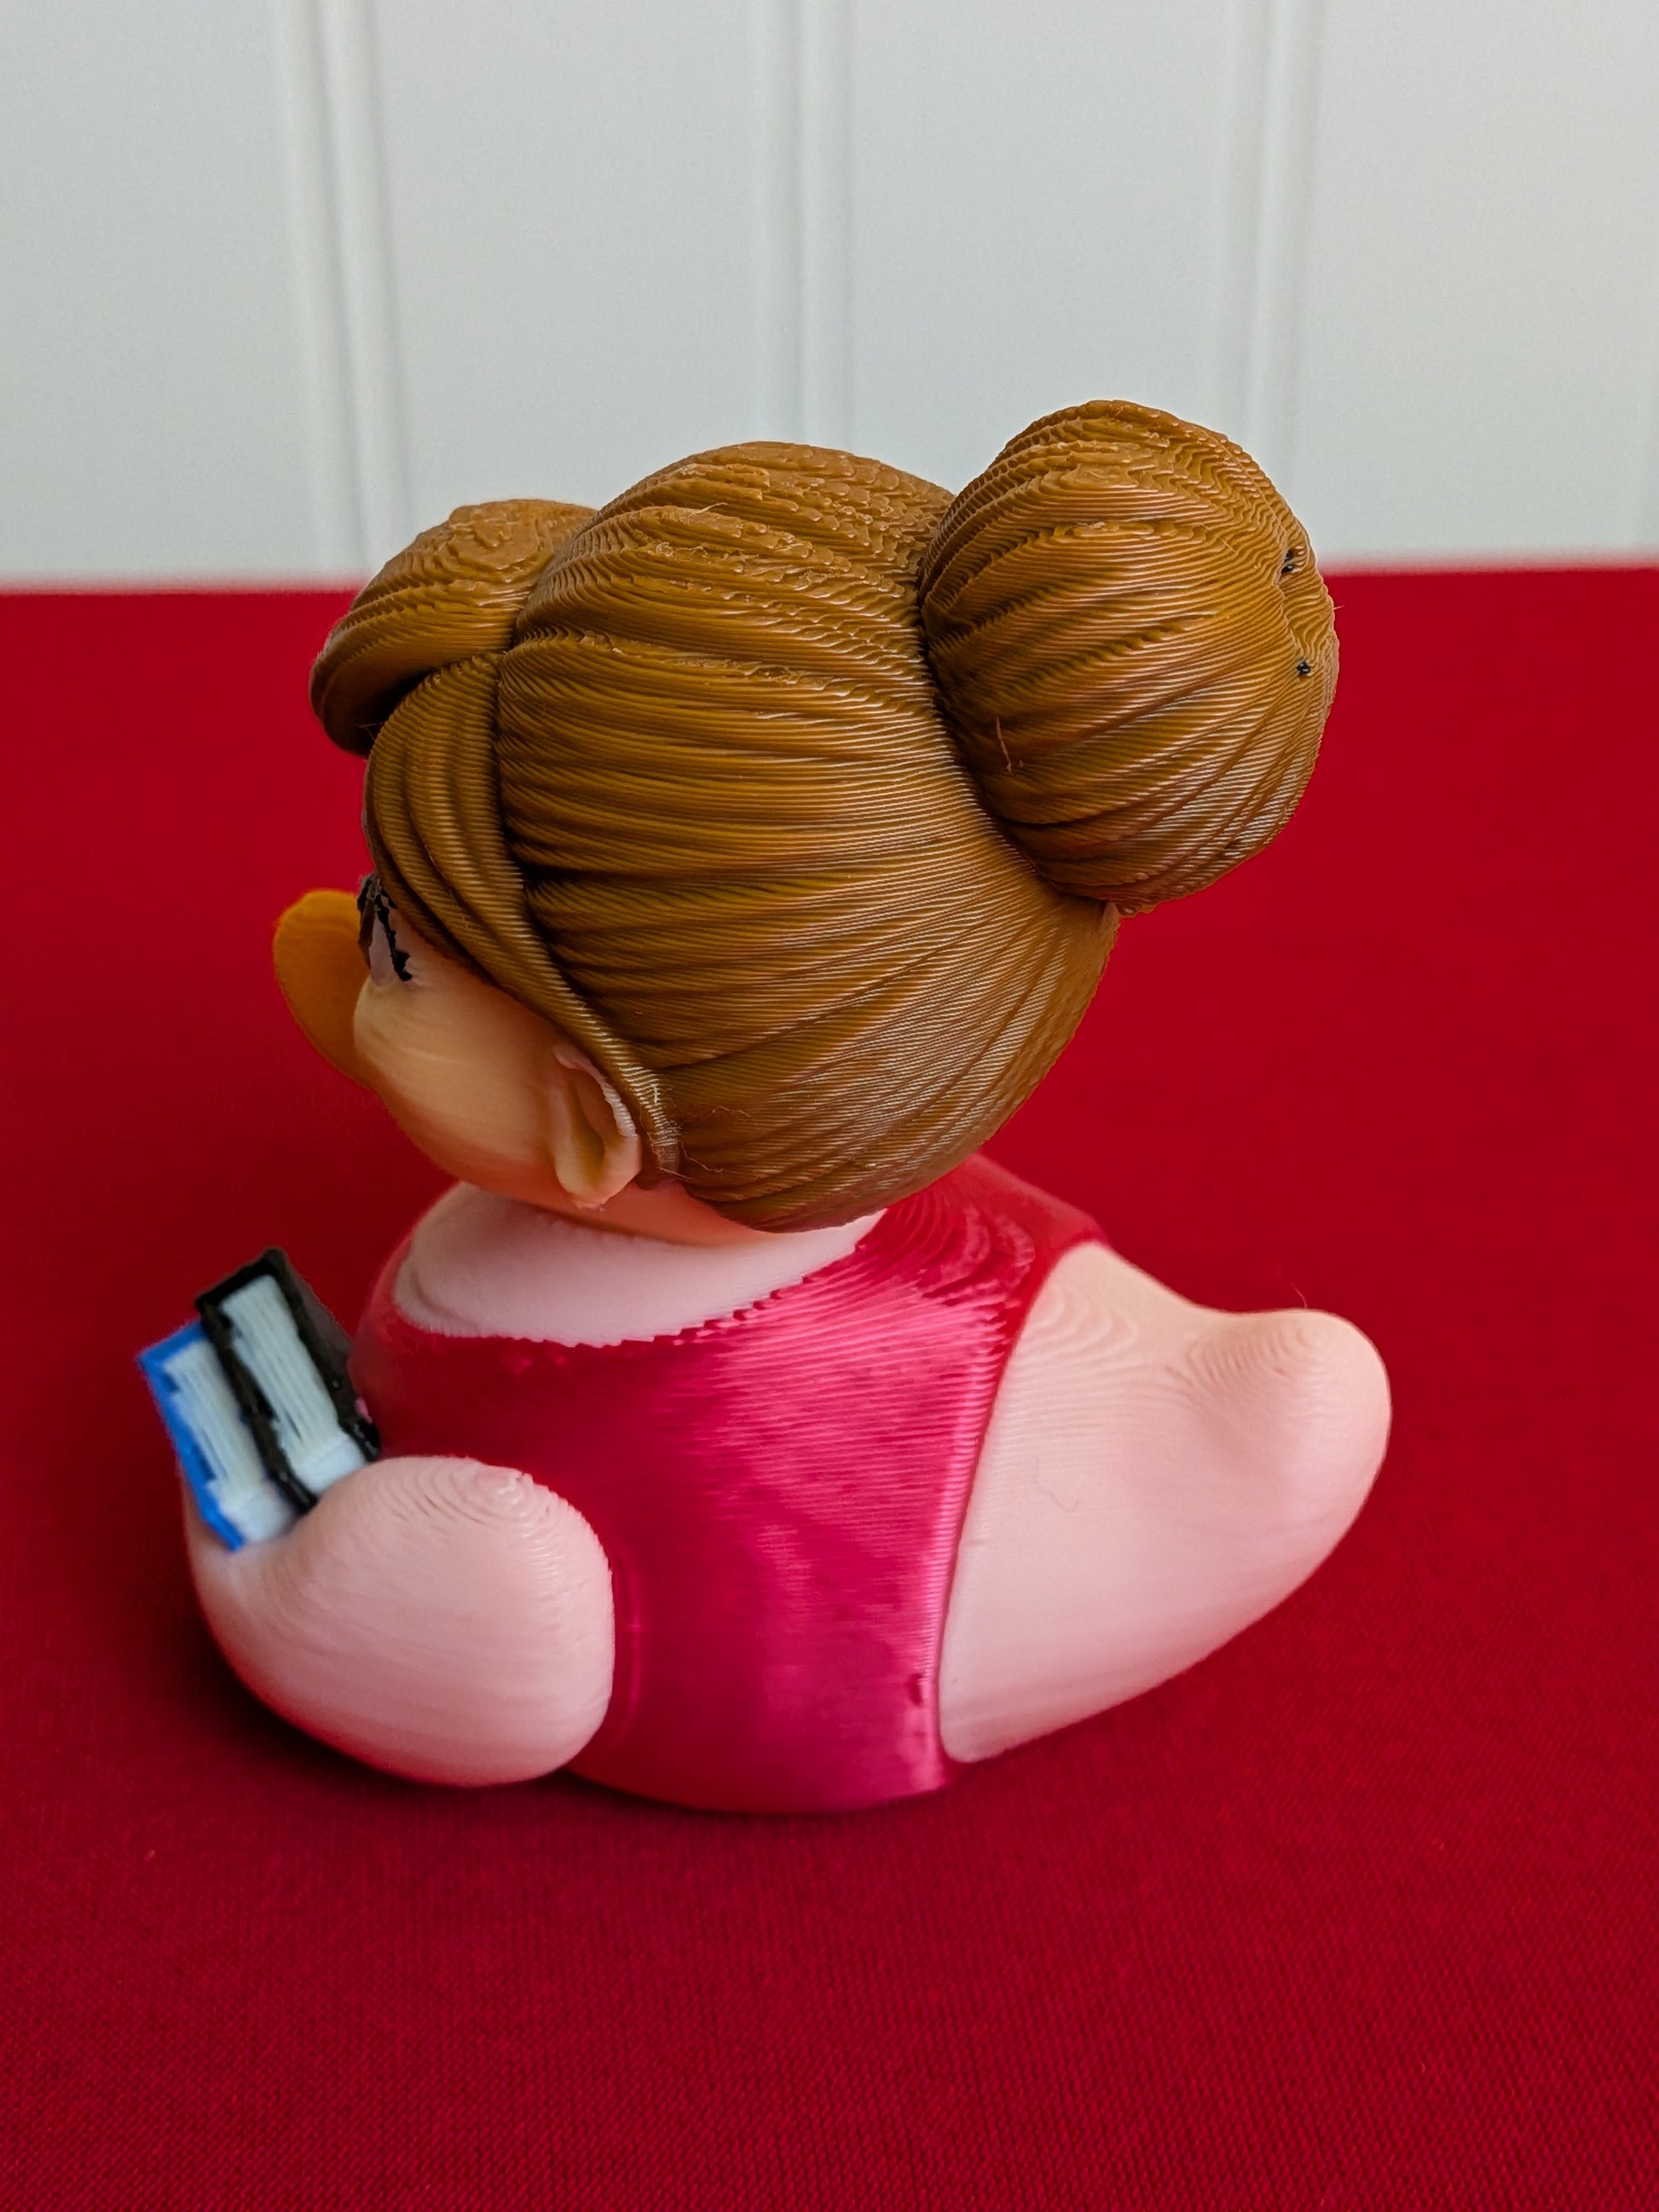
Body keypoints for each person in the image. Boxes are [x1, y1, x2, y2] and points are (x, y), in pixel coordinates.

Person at [188, 401, 1389, 1812]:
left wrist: (255, 1548)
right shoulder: (838, 1128)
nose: (334, 950)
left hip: (874, 1629)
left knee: (500, 1613)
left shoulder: (569, 1463)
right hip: (1034, 1353)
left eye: (393, 950)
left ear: (590, 1125)